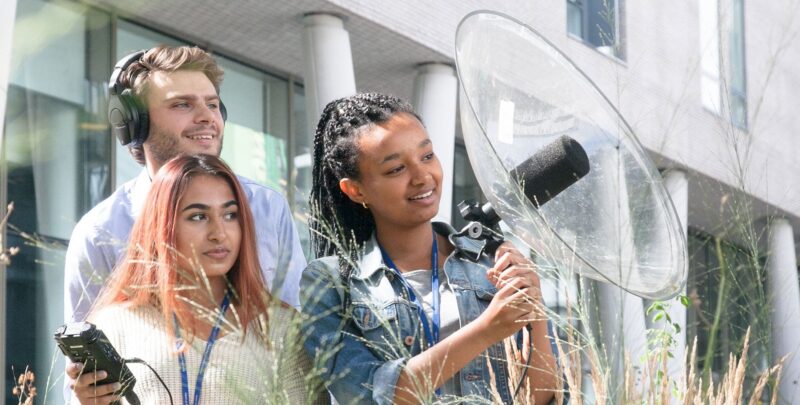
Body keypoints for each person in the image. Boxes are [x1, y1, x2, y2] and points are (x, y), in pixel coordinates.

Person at [300, 93, 559, 404]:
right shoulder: (332, 281)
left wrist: (535, 312)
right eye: (396, 169)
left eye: (427, 156)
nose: (423, 177)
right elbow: (366, 396)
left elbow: (545, 399)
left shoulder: (489, 260)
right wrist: (488, 329)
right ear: (356, 190)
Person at [64, 45, 306, 324]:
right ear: (135, 123)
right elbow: (86, 356)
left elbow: (298, 335)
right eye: (182, 104)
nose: (207, 117)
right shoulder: (98, 232)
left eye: (212, 105)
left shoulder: (267, 208)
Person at [69, 154, 325, 404]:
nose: (219, 233)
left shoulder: (283, 329)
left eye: (230, 215)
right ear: (162, 226)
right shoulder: (115, 326)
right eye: (198, 216)